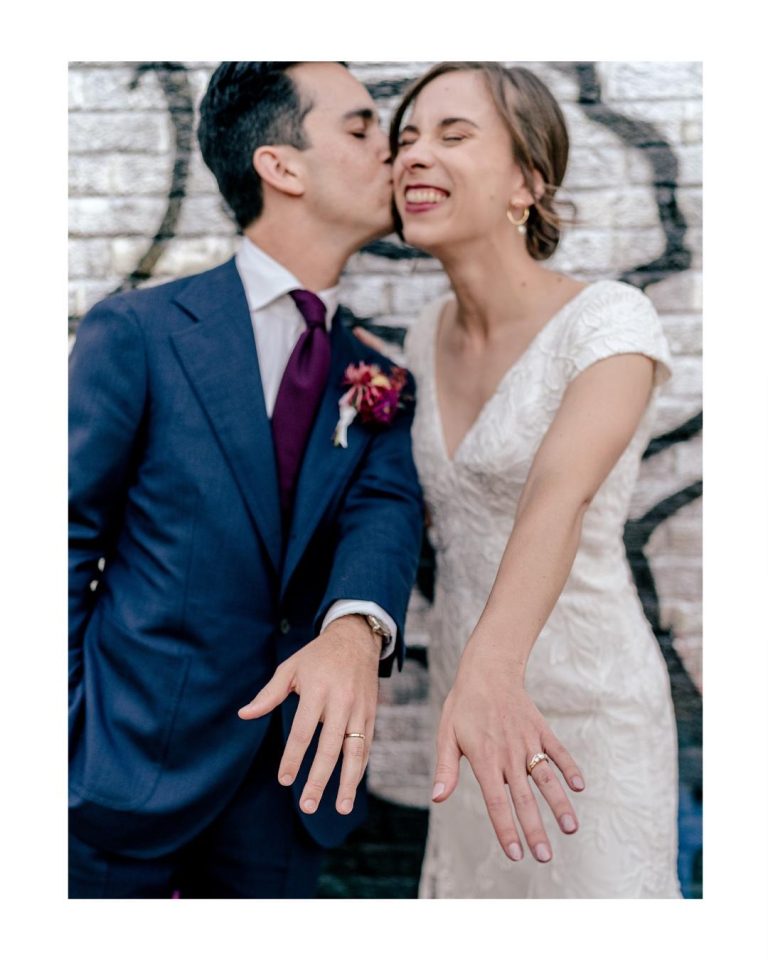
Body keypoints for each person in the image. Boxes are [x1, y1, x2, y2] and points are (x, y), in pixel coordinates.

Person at [68, 61, 423, 899]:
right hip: (119, 776)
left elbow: (386, 513)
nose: (394, 152)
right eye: (362, 127)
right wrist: (67, 737)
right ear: (282, 165)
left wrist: (354, 631)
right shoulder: (141, 331)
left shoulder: (379, 376)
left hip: (292, 790)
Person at [356, 61, 681, 898]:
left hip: (587, 717)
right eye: (407, 138)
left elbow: (557, 495)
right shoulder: (423, 335)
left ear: (528, 180)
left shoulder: (610, 322)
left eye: (453, 134)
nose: (415, 156)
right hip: (466, 720)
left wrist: (494, 673)